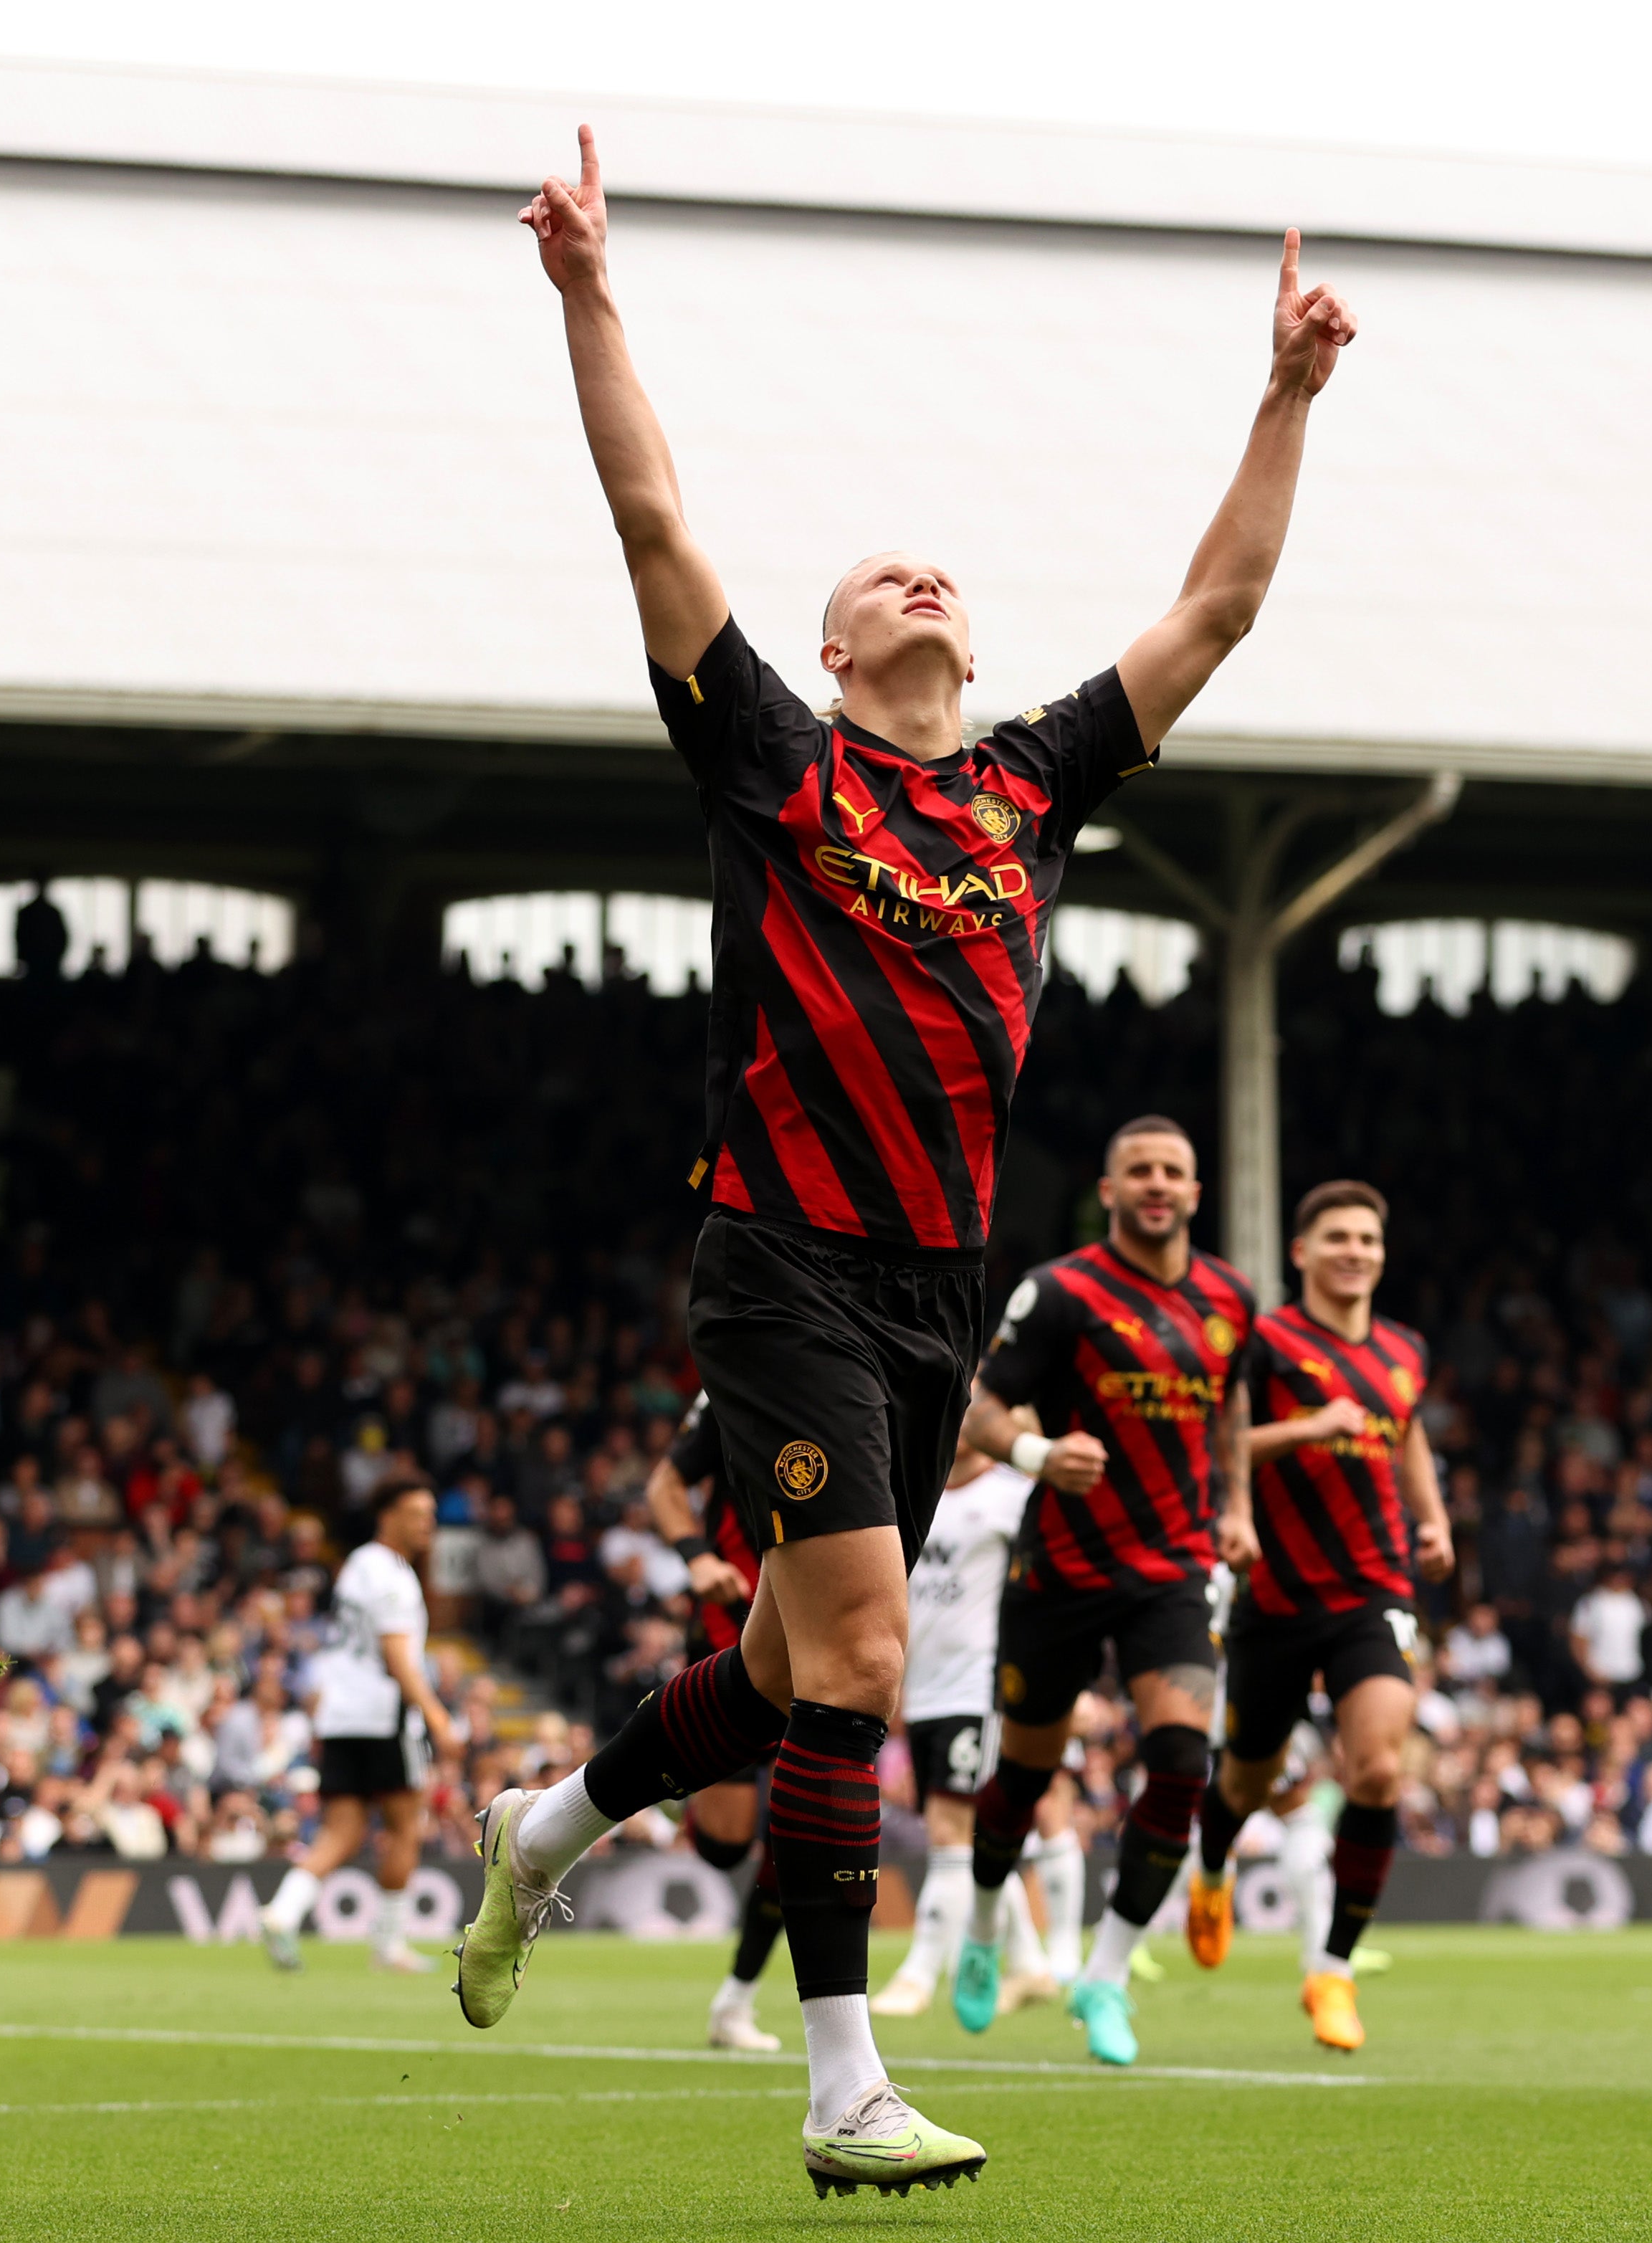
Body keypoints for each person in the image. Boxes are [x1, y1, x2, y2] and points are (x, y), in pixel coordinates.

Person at [450, 125, 1357, 2201]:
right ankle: (840, 2083)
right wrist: (589, 290)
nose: (920, 575)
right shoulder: (778, 761)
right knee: (858, 1660)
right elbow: (651, 510)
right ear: (839, 653)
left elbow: (1215, 606)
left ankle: (548, 1830)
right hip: (780, 1262)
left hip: (941, 1287)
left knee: (780, 1671)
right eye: (883, 578)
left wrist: (1285, 398)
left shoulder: (1030, 788)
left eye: (942, 569)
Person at [952, 1118, 1258, 2067]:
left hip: (1171, 1569)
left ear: (1196, 1192)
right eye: (1140, 1171)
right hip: (1063, 1571)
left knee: (1180, 1764)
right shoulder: (1063, 1291)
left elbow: (1232, 1407)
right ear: (1111, 1188)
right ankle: (984, 1919)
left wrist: (1238, 1504)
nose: (1157, 1184)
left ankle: (1107, 1976)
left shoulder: (1229, 1297)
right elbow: (978, 1400)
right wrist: (1040, 1454)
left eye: (1173, 1170)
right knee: (1024, 1777)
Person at [1186, 1180, 1451, 2053]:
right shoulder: (1264, 1344)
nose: (1354, 1251)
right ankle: (1213, 1866)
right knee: (1246, 1782)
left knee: (1376, 1770)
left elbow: (1404, 1431)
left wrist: (1434, 1518)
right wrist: (1307, 1431)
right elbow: (1216, 1440)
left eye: (1367, 1239)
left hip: (1374, 1589)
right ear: (1300, 1252)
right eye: (1336, 1237)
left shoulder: (1405, 1348)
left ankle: (1331, 1971)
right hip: (1276, 1591)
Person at [872, 1441, 1054, 2019]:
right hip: (921, 1688)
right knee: (964, 1832)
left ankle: (920, 1972)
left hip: (978, 1687)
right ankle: (1029, 1963)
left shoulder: (1012, 1495)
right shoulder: (910, 1486)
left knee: (950, 1831)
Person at [261, 1476, 459, 1972]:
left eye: (430, 1513)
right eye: (417, 1513)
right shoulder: (393, 1574)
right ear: (387, 1515)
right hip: (383, 1719)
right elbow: (397, 1656)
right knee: (405, 1826)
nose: (427, 1523)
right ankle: (388, 1944)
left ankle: (283, 1912)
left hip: (340, 1714)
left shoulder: (356, 1565)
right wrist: (436, 1715)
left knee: (342, 1830)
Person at [640, 1394, 788, 2054]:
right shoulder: (734, 1383)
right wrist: (697, 1556)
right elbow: (665, 1483)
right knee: (724, 1845)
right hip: (731, 1635)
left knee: (798, 1835)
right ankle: (669, 1787)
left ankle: (736, 2000)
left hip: (819, 1636)